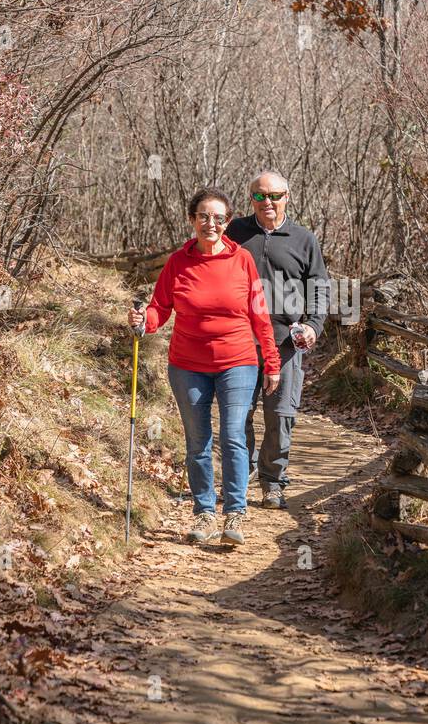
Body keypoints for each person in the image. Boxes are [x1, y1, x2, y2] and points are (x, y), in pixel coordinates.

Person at [128, 187, 280, 546]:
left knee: (232, 437)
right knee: (198, 442)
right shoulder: (178, 263)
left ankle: (235, 513)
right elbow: (159, 309)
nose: (209, 223)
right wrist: (142, 321)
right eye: (203, 216)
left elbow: (260, 315)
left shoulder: (242, 261)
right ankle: (204, 512)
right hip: (187, 364)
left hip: (237, 361)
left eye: (218, 217)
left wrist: (271, 361)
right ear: (192, 220)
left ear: (227, 222)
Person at [226, 169, 330, 509]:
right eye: (259, 195)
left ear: (287, 197)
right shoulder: (234, 232)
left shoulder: (304, 239)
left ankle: (273, 481)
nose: (267, 202)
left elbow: (319, 288)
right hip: (238, 340)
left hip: (285, 342)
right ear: (251, 198)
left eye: (274, 196)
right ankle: (242, 476)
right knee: (238, 414)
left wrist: (313, 325)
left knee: (280, 415)